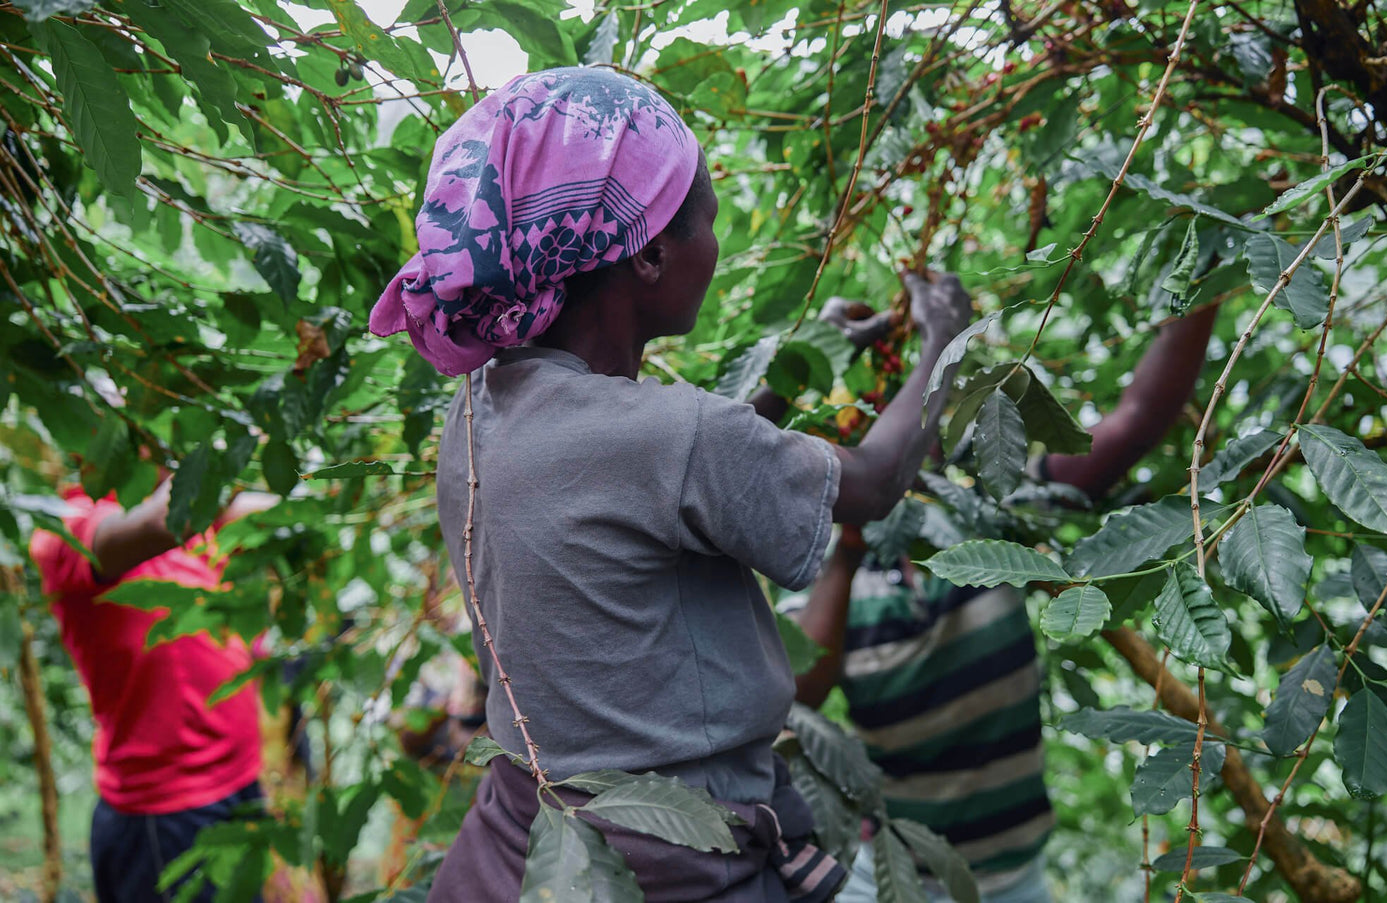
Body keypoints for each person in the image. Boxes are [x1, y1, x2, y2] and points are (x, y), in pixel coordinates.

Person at [367, 66, 972, 901]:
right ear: (651, 253)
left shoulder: (479, 410)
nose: (714, 247)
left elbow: (653, 480)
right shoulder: (671, 437)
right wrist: (946, 341)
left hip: (526, 847)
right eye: (709, 224)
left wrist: (787, 380)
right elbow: (864, 485)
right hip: (675, 863)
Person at [792, 303, 1220, 903]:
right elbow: (800, 683)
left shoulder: (988, 505)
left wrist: (1208, 276)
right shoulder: (815, 558)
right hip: (891, 877)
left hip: (1013, 876)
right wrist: (853, 539)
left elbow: (1132, 425)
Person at [28, 476, 272, 903]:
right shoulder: (67, 526)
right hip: (165, 813)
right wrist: (211, 452)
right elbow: (163, 518)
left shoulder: (197, 523)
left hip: (235, 783)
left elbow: (275, 510)